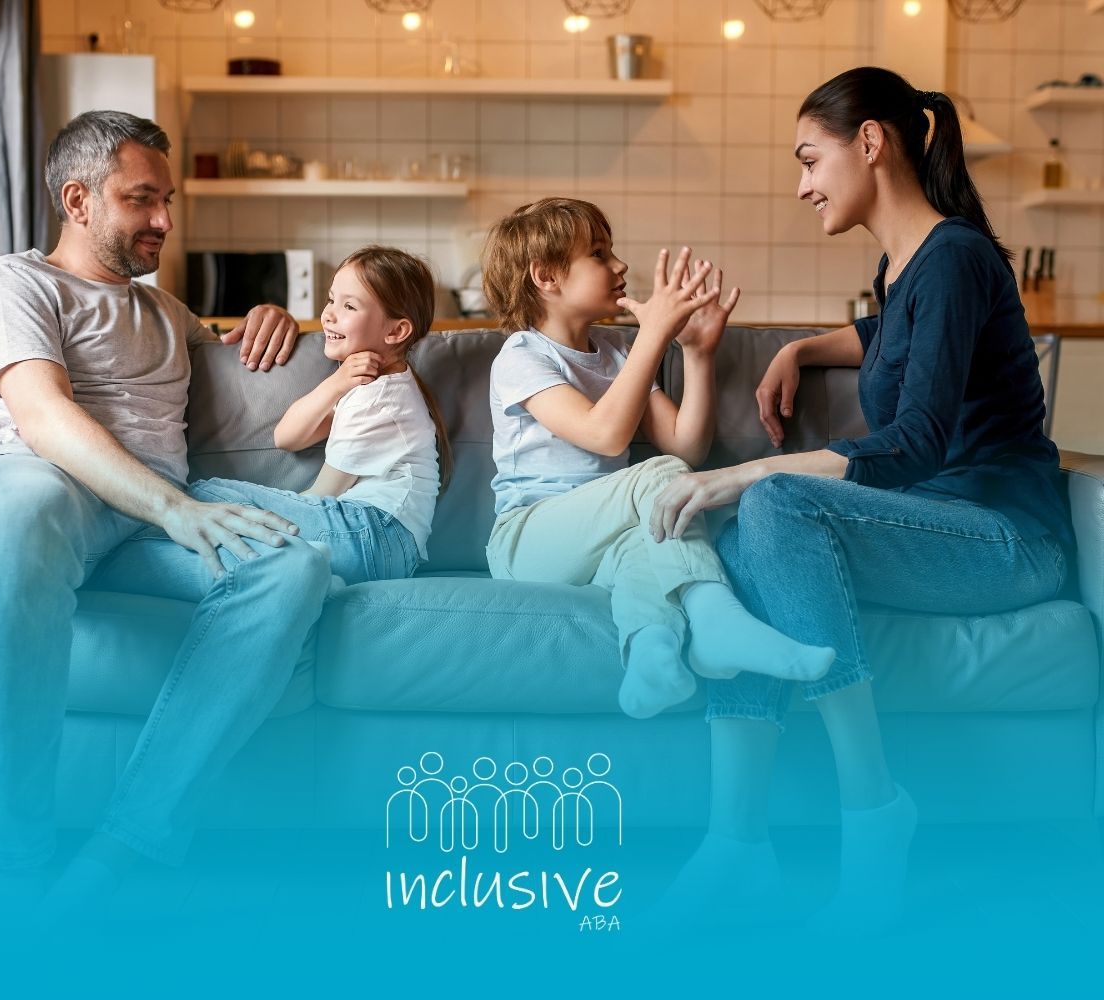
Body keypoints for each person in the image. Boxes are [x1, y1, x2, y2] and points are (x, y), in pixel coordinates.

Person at [650, 67, 1073, 928]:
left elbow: (914, 442)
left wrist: (746, 470)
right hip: (948, 525)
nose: (803, 184)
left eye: (811, 159)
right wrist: (803, 348)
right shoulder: (907, 266)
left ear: (871, 143)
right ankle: (735, 844)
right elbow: (892, 332)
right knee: (744, 545)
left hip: (1006, 537)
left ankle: (874, 813)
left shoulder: (955, 256)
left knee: (770, 503)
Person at [0, 109, 330, 920]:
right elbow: (42, 419)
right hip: (38, 490)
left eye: (167, 199)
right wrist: (177, 508)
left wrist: (272, 321)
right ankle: (9, 875)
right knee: (28, 504)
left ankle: (124, 847)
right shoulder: (14, 282)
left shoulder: (166, 314)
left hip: (136, 528)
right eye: (141, 200)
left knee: (292, 561)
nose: (164, 219)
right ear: (78, 199)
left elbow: (238, 352)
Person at [480, 198, 836, 722]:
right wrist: (652, 336)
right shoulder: (522, 356)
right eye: (599, 254)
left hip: (597, 545)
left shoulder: (615, 354)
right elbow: (604, 436)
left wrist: (697, 352)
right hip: (526, 541)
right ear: (547, 276)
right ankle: (717, 619)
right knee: (667, 484)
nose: (620, 266)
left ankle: (653, 658)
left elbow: (686, 446)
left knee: (652, 537)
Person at [247, 244, 448, 583]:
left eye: (349, 305)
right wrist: (335, 384)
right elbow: (288, 438)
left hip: (374, 534)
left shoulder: (378, 398)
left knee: (214, 495)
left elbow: (325, 492)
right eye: (330, 300)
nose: (328, 314)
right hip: (381, 540)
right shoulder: (364, 385)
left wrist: (252, 515)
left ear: (396, 331)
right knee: (222, 506)